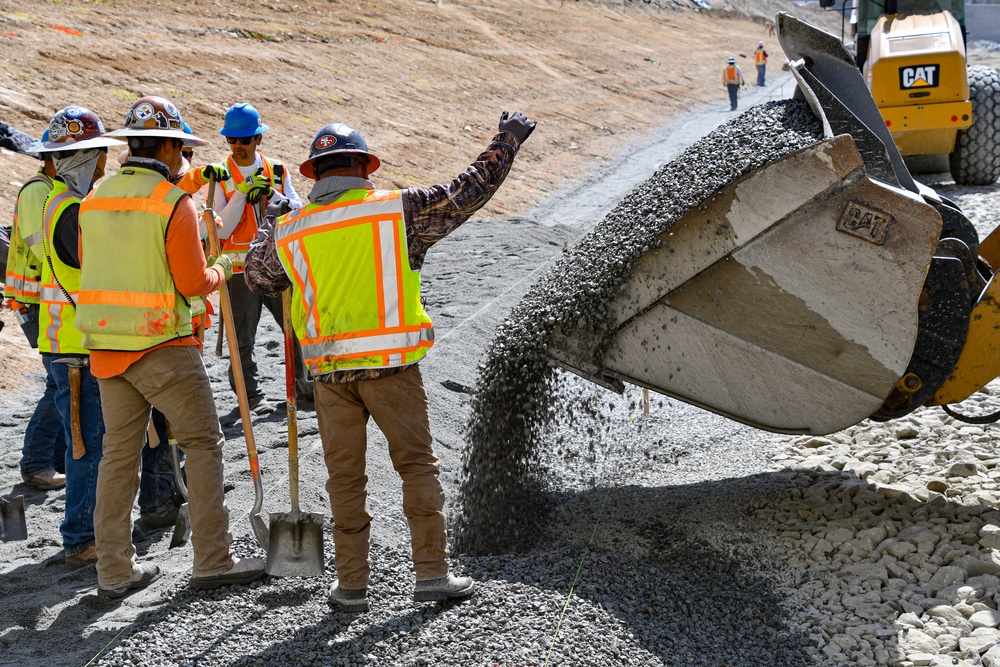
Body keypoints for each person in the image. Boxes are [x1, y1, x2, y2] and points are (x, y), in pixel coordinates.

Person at [244, 111, 536, 612]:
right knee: (417, 467)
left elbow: (257, 277)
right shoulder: (395, 210)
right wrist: (506, 141)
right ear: (362, 165)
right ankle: (430, 575)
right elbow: (468, 190)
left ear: (314, 174)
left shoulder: (293, 228)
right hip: (392, 371)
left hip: (331, 377)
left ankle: (352, 586)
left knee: (345, 480)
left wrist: (270, 221)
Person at [77, 96, 265, 598]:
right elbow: (191, 283)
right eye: (180, 148)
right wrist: (226, 266)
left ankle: (114, 571)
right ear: (164, 147)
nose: (183, 159)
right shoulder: (171, 202)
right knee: (203, 443)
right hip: (161, 341)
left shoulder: (95, 198)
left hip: (105, 346)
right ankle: (213, 559)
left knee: (118, 456)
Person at [32, 106, 126, 566]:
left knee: (86, 442)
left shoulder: (60, 201)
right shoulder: (70, 208)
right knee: (88, 446)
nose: (106, 163)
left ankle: (83, 533)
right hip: (75, 347)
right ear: (86, 159)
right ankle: (81, 539)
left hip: (67, 343)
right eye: (100, 155)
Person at [208, 102, 309, 414]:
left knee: (296, 328)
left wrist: (273, 198)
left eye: (244, 140)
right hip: (239, 271)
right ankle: (250, 398)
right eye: (232, 140)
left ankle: (306, 387)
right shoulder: (220, 175)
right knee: (242, 339)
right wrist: (241, 193)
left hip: (278, 266)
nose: (238, 146)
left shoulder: (277, 170)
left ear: (258, 140)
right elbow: (218, 230)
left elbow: (298, 208)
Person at [4, 130, 68, 491]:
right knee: (57, 384)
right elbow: (46, 249)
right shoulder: (37, 191)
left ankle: (54, 459)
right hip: (39, 302)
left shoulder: (53, 190)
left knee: (61, 382)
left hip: (50, 300)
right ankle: (37, 462)